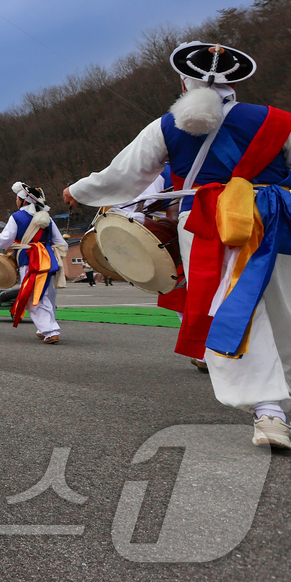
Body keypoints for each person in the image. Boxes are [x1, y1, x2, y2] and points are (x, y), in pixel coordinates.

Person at [63, 41, 291, 449]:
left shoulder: (167, 125)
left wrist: (79, 190)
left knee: (236, 308)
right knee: (283, 301)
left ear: (184, 83)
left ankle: (269, 410)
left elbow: (124, 174)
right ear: (235, 83)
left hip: (208, 222)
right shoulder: (277, 121)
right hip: (275, 217)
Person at [0, 182, 66, 343]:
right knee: (48, 295)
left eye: (17, 199)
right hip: (49, 259)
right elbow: (61, 243)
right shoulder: (48, 217)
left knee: (33, 296)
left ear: (24, 201)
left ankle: (50, 331)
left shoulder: (17, 217)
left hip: (30, 259)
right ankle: (45, 328)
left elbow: (5, 240)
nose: (16, 202)